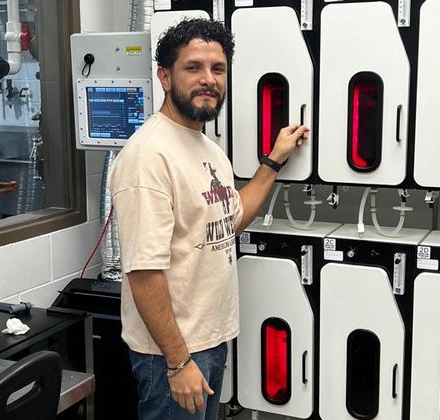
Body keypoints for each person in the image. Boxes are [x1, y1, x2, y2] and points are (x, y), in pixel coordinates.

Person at [108, 18, 309, 420]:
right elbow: (144, 272)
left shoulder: (207, 148)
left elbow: (229, 221)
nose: (208, 80)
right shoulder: (149, 156)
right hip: (171, 355)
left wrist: (272, 161)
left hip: (208, 342)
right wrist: (179, 362)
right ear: (165, 77)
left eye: (217, 69)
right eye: (193, 68)